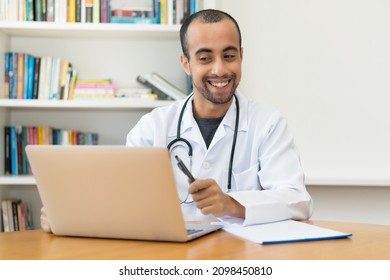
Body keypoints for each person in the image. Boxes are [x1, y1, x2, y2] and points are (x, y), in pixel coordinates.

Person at [41, 9, 312, 232]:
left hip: (242, 258)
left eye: (229, 56)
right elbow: (123, 200)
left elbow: (298, 201)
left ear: (241, 56)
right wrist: (66, 217)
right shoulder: (152, 128)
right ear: (186, 63)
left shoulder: (268, 124)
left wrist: (232, 204)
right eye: (205, 58)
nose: (220, 69)